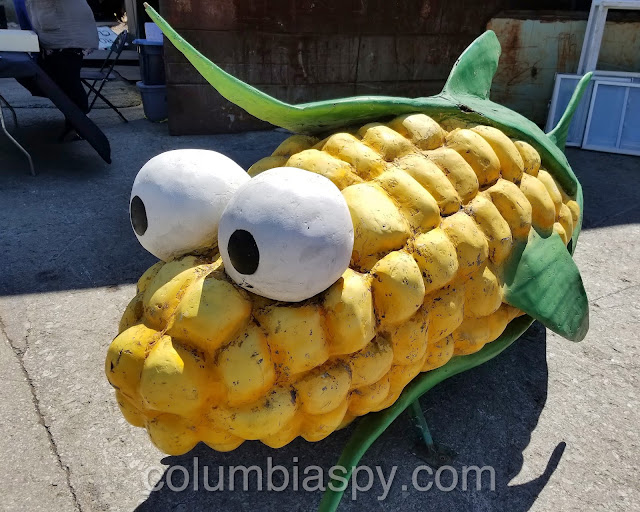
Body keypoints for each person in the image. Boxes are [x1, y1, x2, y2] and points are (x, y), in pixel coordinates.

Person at [23, 0, 99, 139]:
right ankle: (76, 122)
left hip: (68, 36)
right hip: (56, 34)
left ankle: (81, 126)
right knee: (61, 81)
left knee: (69, 82)